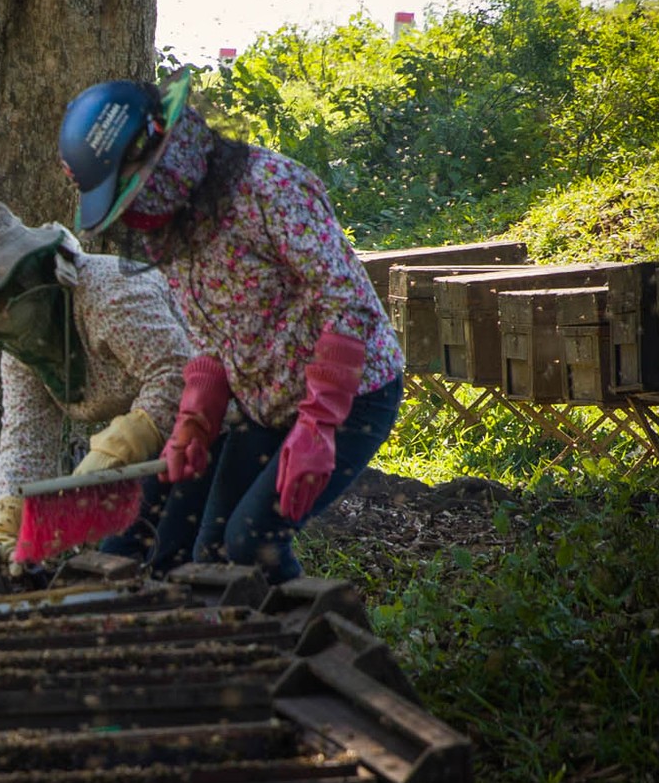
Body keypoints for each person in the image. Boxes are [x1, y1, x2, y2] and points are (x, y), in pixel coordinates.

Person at [58, 75, 406, 582]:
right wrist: (196, 419)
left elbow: (349, 305)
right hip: (262, 403)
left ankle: (330, 649)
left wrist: (319, 424)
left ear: (164, 150)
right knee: (206, 547)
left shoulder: (272, 188)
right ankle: (226, 652)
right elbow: (208, 335)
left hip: (351, 396)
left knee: (250, 543)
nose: (136, 211)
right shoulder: (173, 231)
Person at [0, 201, 191, 568]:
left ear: (28, 269)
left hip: (227, 416)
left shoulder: (109, 293)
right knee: (125, 555)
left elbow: (177, 373)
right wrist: (8, 517)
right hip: (166, 446)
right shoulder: (24, 350)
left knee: (212, 550)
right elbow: (26, 438)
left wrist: (120, 445)